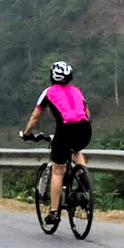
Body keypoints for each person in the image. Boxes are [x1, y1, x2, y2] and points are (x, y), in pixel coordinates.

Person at [19, 61, 92, 226]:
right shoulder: (77, 90)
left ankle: (53, 212)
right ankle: (83, 177)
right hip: (85, 129)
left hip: (65, 131)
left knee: (58, 171)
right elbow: (86, 113)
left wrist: (27, 133)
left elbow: (36, 117)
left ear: (52, 76)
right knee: (76, 150)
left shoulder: (48, 92)